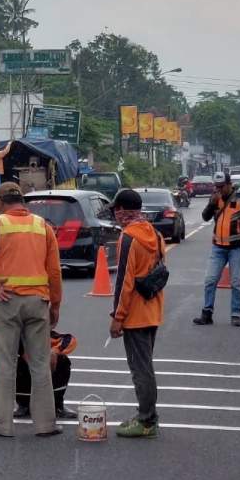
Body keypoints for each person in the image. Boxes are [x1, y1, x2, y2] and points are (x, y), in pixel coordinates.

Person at [0, 181, 62, 438]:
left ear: (0, 203)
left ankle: (3, 425)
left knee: (5, 364)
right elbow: (54, 271)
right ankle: (46, 424)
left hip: (8, 302)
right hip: (38, 302)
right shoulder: (42, 226)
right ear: (22, 201)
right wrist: (54, 305)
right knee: (40, 364)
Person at [108, 188, 165, 438]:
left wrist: (117, 318)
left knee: (140, 369)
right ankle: (146, 415)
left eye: (116, 210)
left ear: (121, 210)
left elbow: (124, 282)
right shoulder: (154, 233)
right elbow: (160, 272)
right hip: (153, 309)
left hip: (134, 315)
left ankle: (147, 420)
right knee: (145, 366)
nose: (115, 214)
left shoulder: (128, 238)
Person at [193, 171, 240, 328]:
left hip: (236, 248)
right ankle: (207, 313)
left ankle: (235, 315)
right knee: (210, 280)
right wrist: (211, 203)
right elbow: (205, 217)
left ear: (229, 185)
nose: (219, 189)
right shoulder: (215, 198)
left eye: (221, 187)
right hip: (218, 248)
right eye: (217, 186)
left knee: (236, 282)